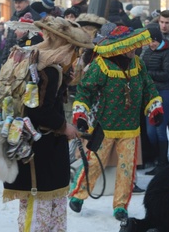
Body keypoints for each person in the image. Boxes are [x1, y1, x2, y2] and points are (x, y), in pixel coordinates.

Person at [1, 16, 88, 232]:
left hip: (51, 149)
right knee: (37, 209)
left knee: (56, 203)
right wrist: (66, 127)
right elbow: (37, 112)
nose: (77, 56)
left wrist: (67, 82)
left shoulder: (52, 67)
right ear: (65, 46)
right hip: (38, 150)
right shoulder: (47, 69)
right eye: (76, 50)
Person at [69, 26, 163, 221]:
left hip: (130, 127)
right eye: (131, 47)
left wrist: (154, 107)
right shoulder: (101, 65)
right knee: (94, 163)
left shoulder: (138, 63)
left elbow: (148, 87)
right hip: (104, 126)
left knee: (127, 168)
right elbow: (85, 91)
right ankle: (78, 195)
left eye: (136, 47)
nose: (134, 50)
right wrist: (81, 115)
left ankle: (121, 206)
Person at [140, 26, 169, 175]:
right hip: (150, 94)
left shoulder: (167, 53)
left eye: (153, 41)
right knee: (150, 131)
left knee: (160, 129)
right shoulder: (147, 52)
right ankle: (157, 157)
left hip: (164, 92)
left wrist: (148, 74)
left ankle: (162, 162)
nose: (151, 44)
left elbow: (167, 74)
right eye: (149, 41)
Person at [1, 0, 41, 64]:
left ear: (27, 2)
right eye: (16, 3)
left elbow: (37, 39)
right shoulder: (13, 17)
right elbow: (9, 39)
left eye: (19, 2)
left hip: (26, 57)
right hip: (11, 55)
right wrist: (4, 58)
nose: (17, 5)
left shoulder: (35, 17)